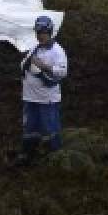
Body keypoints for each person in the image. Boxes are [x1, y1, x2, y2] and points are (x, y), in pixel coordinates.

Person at [17, 15, 67, 165]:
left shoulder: (58, 51)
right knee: (30, 127)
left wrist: (44, 67)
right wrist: (28, 65)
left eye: (43, 32)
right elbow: (23, 65)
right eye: (38, 32)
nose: (39, 35)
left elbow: (62, 72)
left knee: (50, 128)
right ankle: (28, 154)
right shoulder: (35, 48)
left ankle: (57, 158)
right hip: (30, 97)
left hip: (47, 99)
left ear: (49, 32)